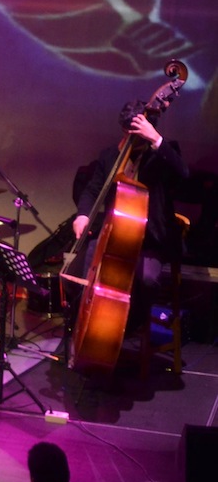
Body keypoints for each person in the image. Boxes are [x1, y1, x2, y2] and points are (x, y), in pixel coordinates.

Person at [71, 99, 189, 334]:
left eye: (134, 134)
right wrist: (82, 215)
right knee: (78, 270)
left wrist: (155, 139)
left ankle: (128, 326)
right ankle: (86, 327)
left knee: (146, 279)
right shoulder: (110, 155)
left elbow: (183, 175)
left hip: (151, 239)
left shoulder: (164, 152)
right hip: (114, 235)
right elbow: (93, 189)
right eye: (125, 133)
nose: (128, 140)